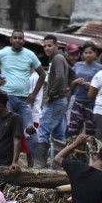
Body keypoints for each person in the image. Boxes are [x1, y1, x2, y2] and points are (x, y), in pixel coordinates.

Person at [0, 29, 45, 162]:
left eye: (20, 38)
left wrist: (33, 94)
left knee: (30, 130)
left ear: (24, 40)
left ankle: (36, 164)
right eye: (15, 38)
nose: (17, 40)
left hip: (23, 99)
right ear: (10, 39)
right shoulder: (2, 53)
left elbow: (42, 74)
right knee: (4, 129)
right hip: (6, 98)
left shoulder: (30, 55)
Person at [35, 34, 70, 168]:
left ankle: (39, 165)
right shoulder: (59, 58)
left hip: (55, 100)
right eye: (44, 46)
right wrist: (67, 89)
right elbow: (70, 74)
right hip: (60, 100)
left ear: (56, 46)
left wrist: (51, 94)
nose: (46, 48)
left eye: (49, 45)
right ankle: (58, 166)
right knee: (58, 134)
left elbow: (60, 77)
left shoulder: (58, 58)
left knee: (42, 132)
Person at [67, 41, 102, 140]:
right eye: (86, 53)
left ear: (96, 54)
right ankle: (72, 152)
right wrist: (75, 82)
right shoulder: (77, 65)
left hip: (92, 103)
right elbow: (70, 81)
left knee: (91, 131)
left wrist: (91, 86)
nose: (88, 55)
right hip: (78, 101)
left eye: (90, 53)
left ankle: (89, 152)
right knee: (73, 129)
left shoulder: (99, 68)